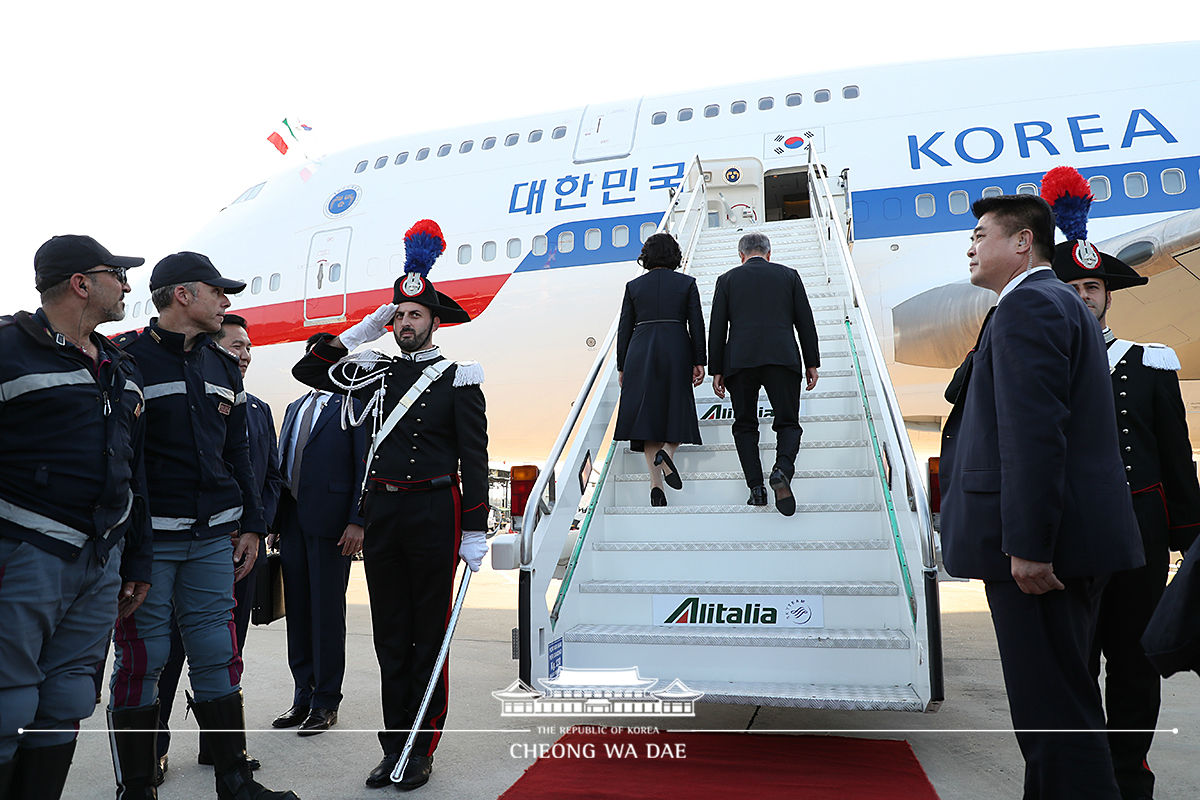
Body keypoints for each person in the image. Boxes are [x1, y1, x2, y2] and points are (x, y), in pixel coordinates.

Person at [939, 193, 1144, 799]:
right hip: (1059, 546)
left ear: (1022, 242)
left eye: (980, 235)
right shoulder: (1051, 301)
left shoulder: (1029, 305)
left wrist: (1028, 546)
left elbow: (1034, 436)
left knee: (1055, 722)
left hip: (1037, 557)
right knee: (1057, 711)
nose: (970, 246)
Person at [292, 219, 488, 792]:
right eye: (397, 316)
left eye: (413, 316)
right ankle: (392, 745)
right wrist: (365, 327)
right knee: (389, 632)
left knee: (429, 632)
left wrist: (474, 528)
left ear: (433, 321)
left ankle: (421, 749)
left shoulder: (459, 377)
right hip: (384, 513)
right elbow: (310, 369)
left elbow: (474, 459)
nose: (405, 324)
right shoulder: (371, 371)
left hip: (435, 512)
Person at [108, 252, 297, 800]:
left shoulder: (220, 366)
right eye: (218, 291)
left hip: (214, 538)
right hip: (151, 543)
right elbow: (124, 461)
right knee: (143, 658)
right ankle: (138, 788)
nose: (227, 301)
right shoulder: (127, 361)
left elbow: (240, 453)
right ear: (183, 295)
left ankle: (234, 781)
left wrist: (253, 526)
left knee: (219, 653)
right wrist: (132, 547)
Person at [1042, 166, 1200, 800]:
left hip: (1138, 540)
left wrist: (1192, 536)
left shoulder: (1150, 364)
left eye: (1091, 286)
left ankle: (1127, 774)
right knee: (1073, 666)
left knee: (1134, 665)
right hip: (1066, 541)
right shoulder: (1037, 363)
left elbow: (1176, 457)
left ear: (1108, 293)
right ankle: (1079, 777)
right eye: (1071, 287)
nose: (1083, 296)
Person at [0, 235, 152, 800]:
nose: (128, 287)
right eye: (117, 275)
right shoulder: (8, 350)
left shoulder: (120, 366)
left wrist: (135, 559)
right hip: (24, 552)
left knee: (66, 701)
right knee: (7, 700)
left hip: (101, 563)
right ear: (81, 284)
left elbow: (135, 475)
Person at [154, 313, 282, 780]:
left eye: (248, 348)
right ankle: (154, 747)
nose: (244, 356)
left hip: (241, 552)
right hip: (189, 547)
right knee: (165, 654)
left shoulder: (260, 410)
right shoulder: (186, 397)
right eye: (234, 348)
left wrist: (254, 525)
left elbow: (268, 476)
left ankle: (220, 748)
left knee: (227, 653)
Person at [269, 332, 367, 737]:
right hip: (292, 523)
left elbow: (364, 466)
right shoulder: (294, 407)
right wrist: (274, 523)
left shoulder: (354, 408)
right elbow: (282, 467)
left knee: (327, 614)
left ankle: (327, 700)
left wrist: (358, 520)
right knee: (299, 614)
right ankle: (302, 696)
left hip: (332, 526)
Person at [707, 231, 820, 515]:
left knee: (745, 425)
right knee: (788, 423)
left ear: (741, 256)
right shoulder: (789, 276)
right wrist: (811, 362)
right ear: (769, 254)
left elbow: (717, 328)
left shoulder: (727, 280)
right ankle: (782, 469)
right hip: (782, 358)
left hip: (740, 361)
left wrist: (716, 370)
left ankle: (756, 489)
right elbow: (805, 321)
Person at [614, 233, 706, 506]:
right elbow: (697, 324)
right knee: (676, 406)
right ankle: (667, 452)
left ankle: (656, 486)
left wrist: (622, 365)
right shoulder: (686, 283)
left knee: (648, 418)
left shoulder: (633, 286)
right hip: (676, 346)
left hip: (640, 349)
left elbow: (624, 328)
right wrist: (699, 360)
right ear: (674, 255)